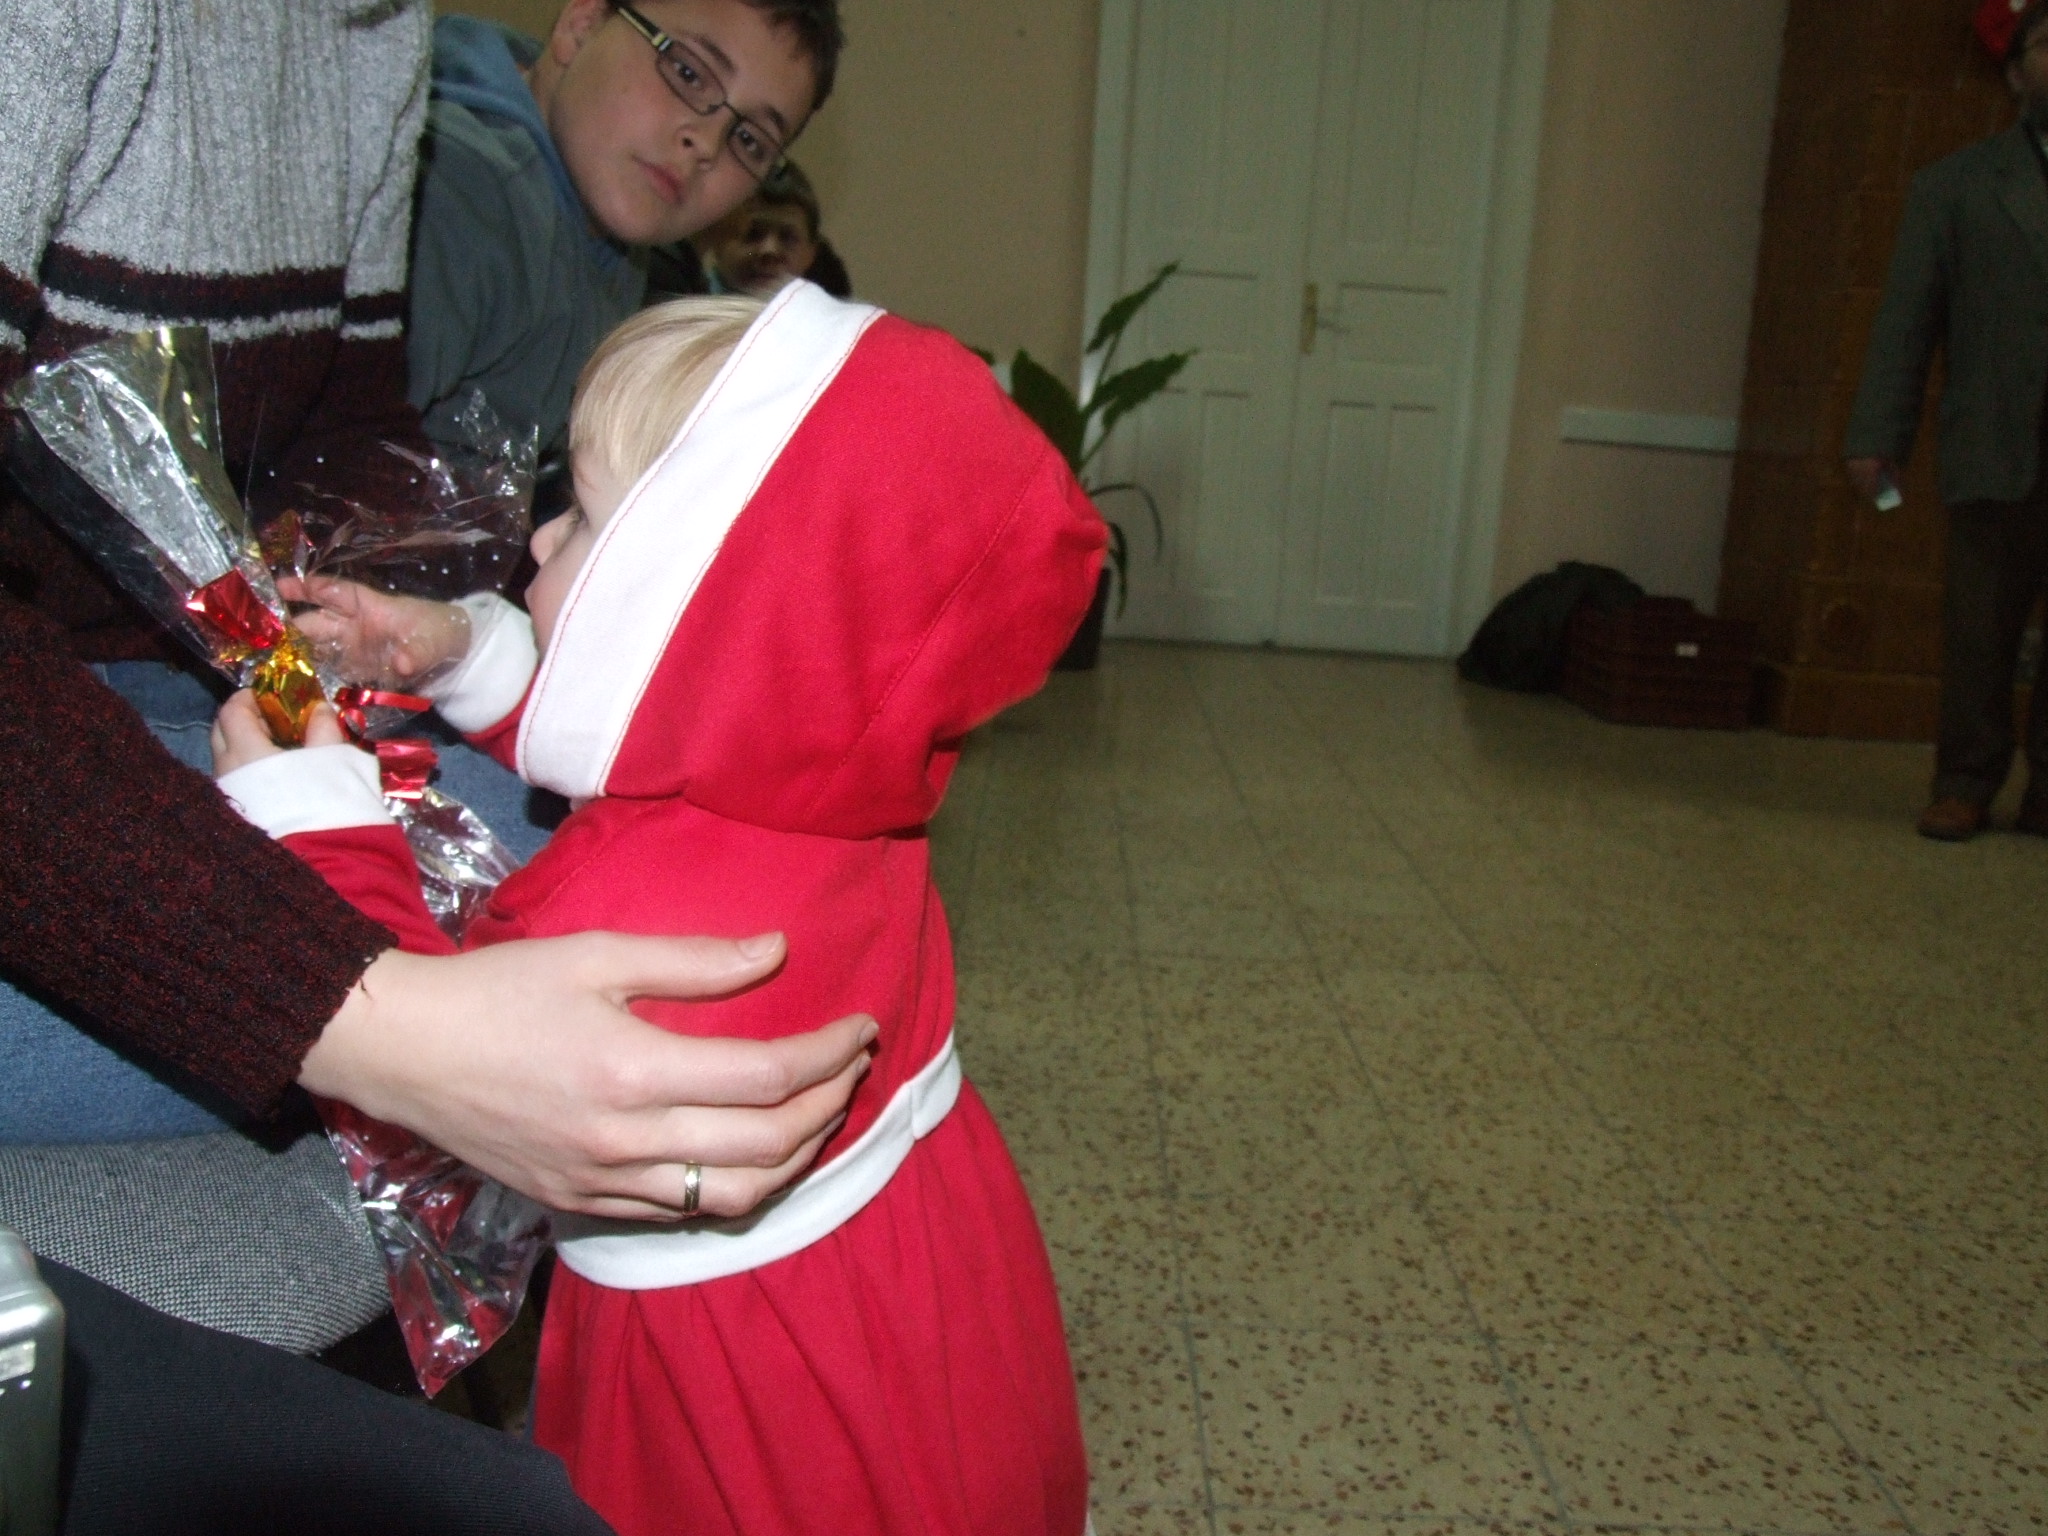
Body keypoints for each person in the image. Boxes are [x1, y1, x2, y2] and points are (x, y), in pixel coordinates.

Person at [213, 285, 1105, 1536]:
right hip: (919, 1287)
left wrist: (308, 819)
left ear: (687, 607)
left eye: (582, 517)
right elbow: (676, 722)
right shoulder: (841, 791)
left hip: (736, 1386)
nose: (536, 541)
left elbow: (437, 1054)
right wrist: (463, 655)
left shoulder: (626, 913)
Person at [407, 0, 841, 461]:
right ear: (583, 23)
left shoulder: (618, 250)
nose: (707, 144)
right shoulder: (460, 194)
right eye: (689, 74)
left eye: (750, 141)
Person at [1846, 0, 2048, 841]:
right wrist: (1876, 437)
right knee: (1979, 628)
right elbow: (1906, 321)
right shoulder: (1955, 187)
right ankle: (1965, 781)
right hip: (1997, 441)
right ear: (2016, 74)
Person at [699, 158, 852, 297]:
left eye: (787, 238)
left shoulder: (827, 317)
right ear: (718, 240)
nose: (769, 250)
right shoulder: (688, 307)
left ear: (810, 254)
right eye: (753, 234)